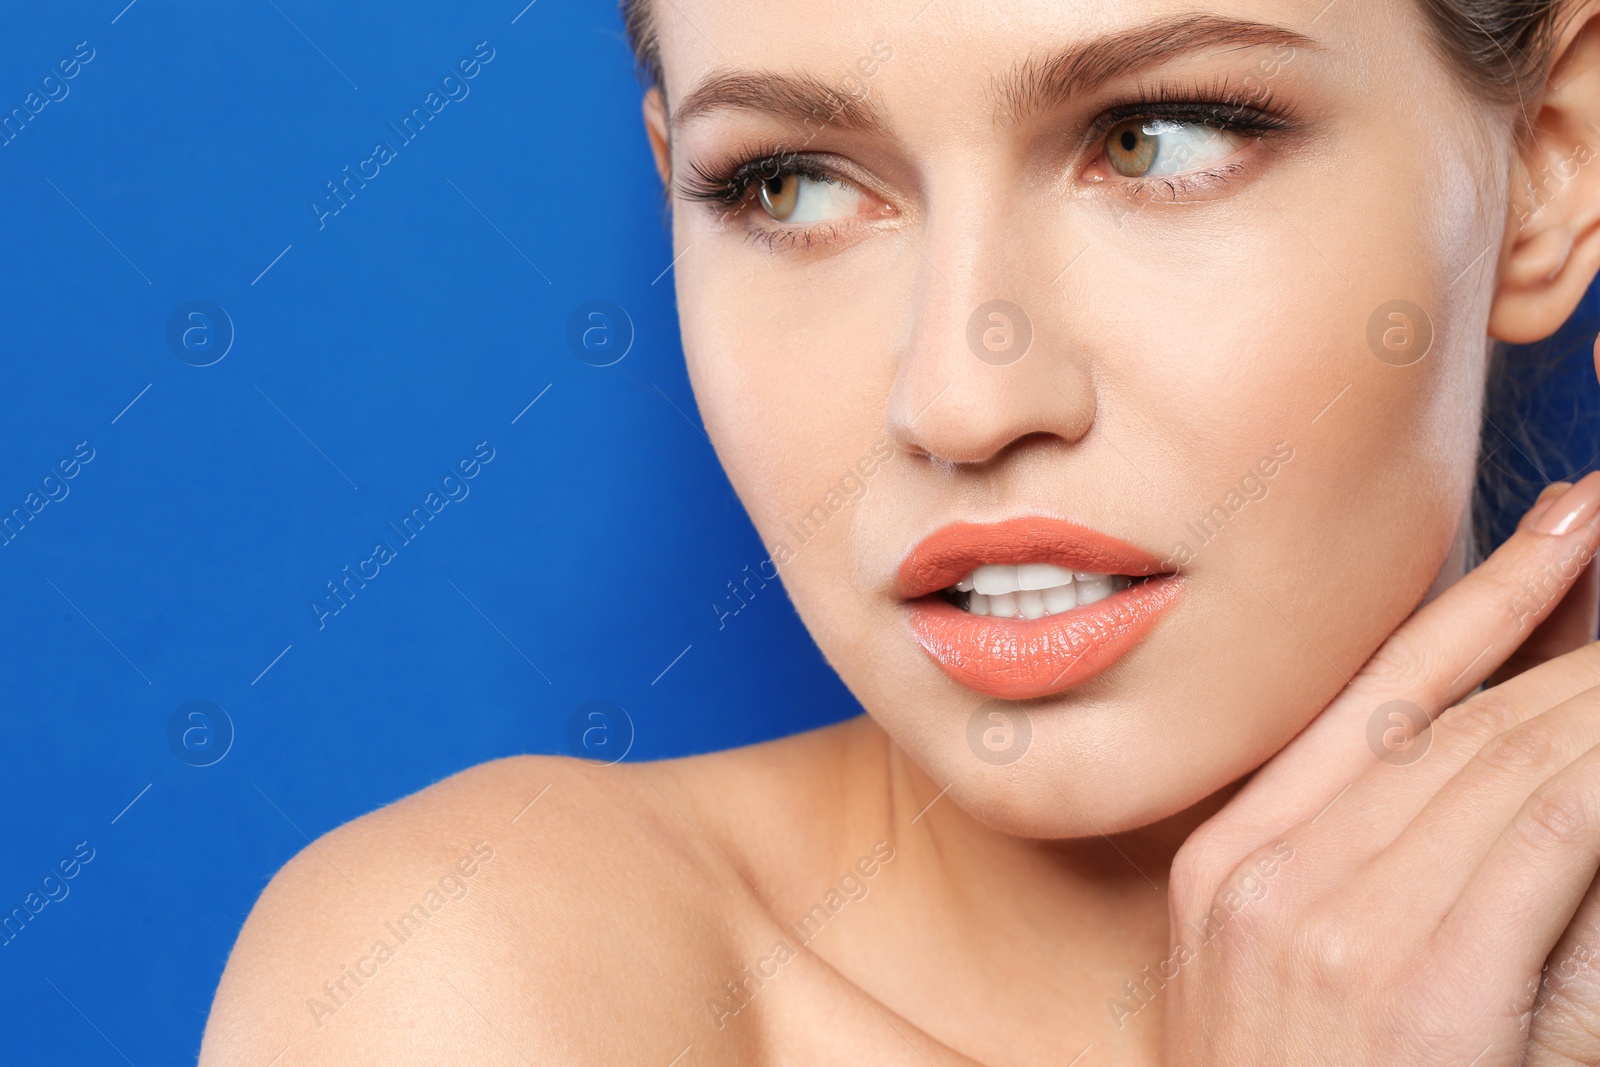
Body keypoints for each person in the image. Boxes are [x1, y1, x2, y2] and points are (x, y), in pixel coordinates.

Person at [199, 0, 1600, 1062]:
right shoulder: (478, 979)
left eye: (1150, 140)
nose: (961, 398)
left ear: (1554, 167)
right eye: (789, 184)